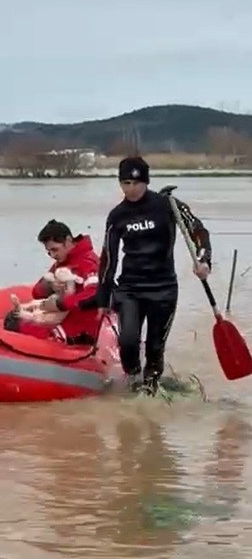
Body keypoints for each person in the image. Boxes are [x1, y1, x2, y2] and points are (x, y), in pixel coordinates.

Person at [96, 155, 212, 393]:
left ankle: (151, 388)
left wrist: (204, 261)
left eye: (136, 183)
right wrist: (103, 297)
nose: (131, 189)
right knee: (128, 341)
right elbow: (108, 258)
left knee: (155, 347)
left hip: (163, 288)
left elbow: (198, 231)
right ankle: (132, 380)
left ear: (146, 182)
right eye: (126, 183)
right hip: (130, 289)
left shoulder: (168, 205)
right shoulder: (117, 215)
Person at [3, 219, 100, 344]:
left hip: (83, 324)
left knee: (17, 325)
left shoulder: (88, 262)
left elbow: (95, 294)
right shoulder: (64, 262)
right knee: (12, 319)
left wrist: (63, 303)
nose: (53, 255)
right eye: (49, 252)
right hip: (63, 317)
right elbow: (37, 292)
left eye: (55, 250)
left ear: (68, 241)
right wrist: (51, 286)